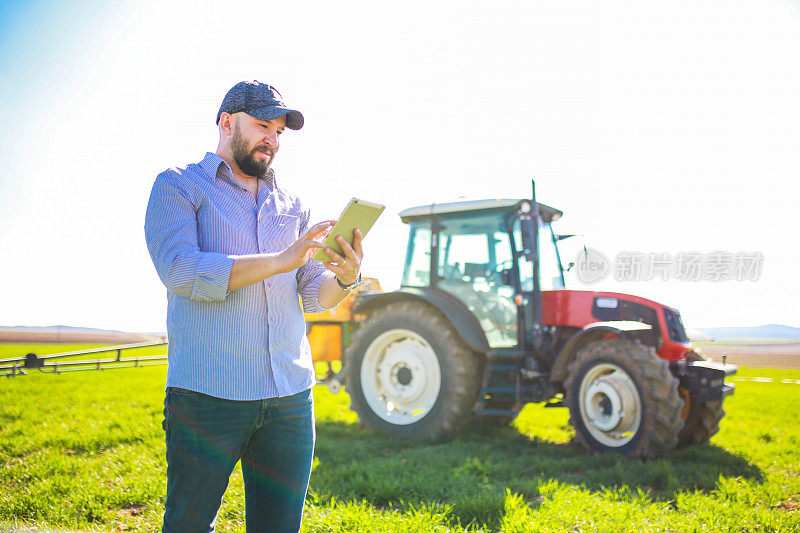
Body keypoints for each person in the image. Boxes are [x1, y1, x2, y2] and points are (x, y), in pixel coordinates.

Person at [144, 80, 363, 533]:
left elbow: (309, 292)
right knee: (187, 524)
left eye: (279, 132)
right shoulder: (178, 186)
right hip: (208, 396)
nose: (272, 139)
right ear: (227, 122)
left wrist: (345, 278)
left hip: (289, 399)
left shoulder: (292, 205)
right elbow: (180, 270)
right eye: (263, 126)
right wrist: (280, 260)